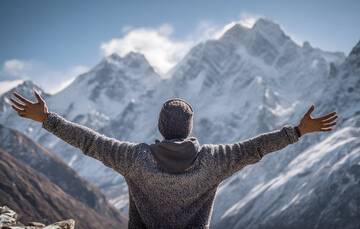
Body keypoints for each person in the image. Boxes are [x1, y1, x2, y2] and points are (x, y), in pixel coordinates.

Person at [10, 91, 338, 229]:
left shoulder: (133, 158)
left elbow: (90, 142)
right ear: (190, 129)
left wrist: (48, 119)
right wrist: (297, 130)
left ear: (160, 128)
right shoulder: (216, 160)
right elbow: (255, 148)